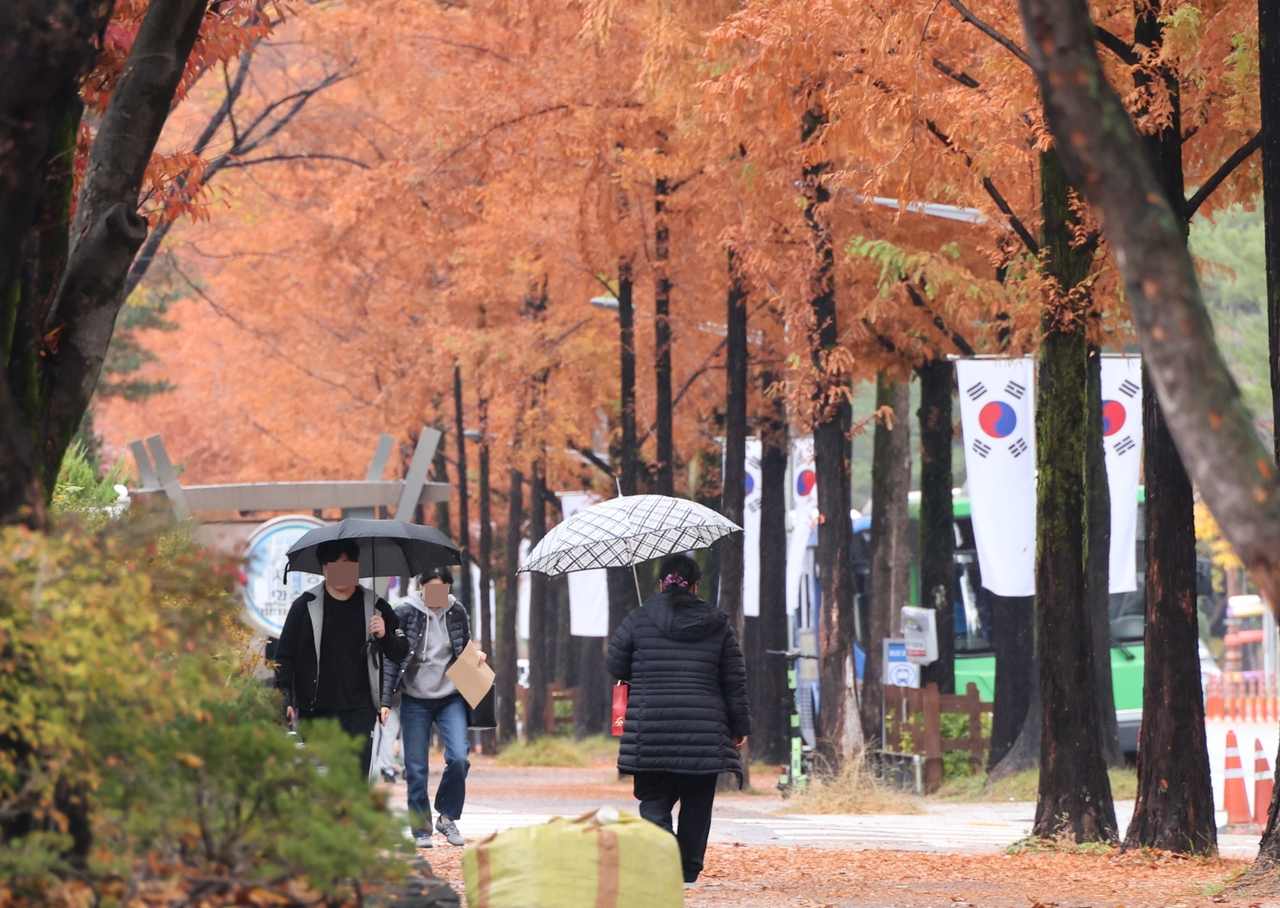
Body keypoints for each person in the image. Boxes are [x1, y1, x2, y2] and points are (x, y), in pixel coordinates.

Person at [606, 553, 752, 888]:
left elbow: (616, 667)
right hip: (703, 727)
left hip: (650, 724)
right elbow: (733, 679)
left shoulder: (638, 619)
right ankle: (687, 871)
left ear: (661, 583)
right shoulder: (717, 623)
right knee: (698, 800)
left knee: (654, 798)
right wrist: (739, 724)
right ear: (696, 586)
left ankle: (662, 852)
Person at [274, 539, 409, 777]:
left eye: (347, 563)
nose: (340, 570)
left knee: (355, 776)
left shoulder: (376, 606)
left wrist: (384, 635)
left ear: (356, 566)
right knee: (325, 778)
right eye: (333, 564)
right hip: (315, 707)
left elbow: (400, 652)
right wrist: (285, 698)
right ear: (323, 568)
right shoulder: (305, 605)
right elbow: (285, 655)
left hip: (360, 708)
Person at [381, 565, 487, 849]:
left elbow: (463, 645)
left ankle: (447, 817)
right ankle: (421, 829)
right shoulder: (405, 613)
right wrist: (384, 701)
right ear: (421, 587)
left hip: (451, 695)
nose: (438, 595)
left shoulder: (457, 611)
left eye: (444, 589)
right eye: (432, 590)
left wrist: (475, 653)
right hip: (415, 699)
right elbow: (392, 658)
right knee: (415, 768)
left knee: (459, 757)